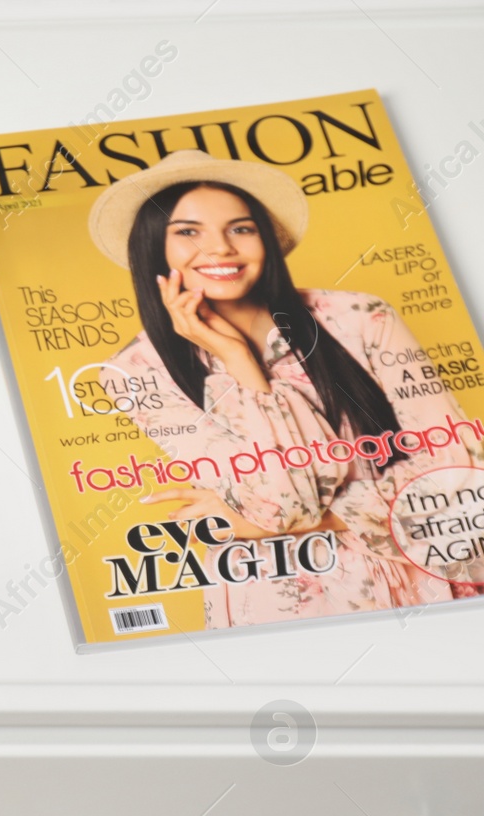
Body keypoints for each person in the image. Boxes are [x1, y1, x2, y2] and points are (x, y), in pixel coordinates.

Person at [88, 149, 484, 628]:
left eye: (241, 228)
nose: (219, 249)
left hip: (415, 582)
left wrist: (323, 519)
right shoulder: (136, 372)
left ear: (265, 240)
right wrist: (239, 362)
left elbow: (460, 469)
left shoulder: (360, 319)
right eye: (188, 232)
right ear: (154, 247)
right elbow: (281, 504)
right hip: (274, 606)